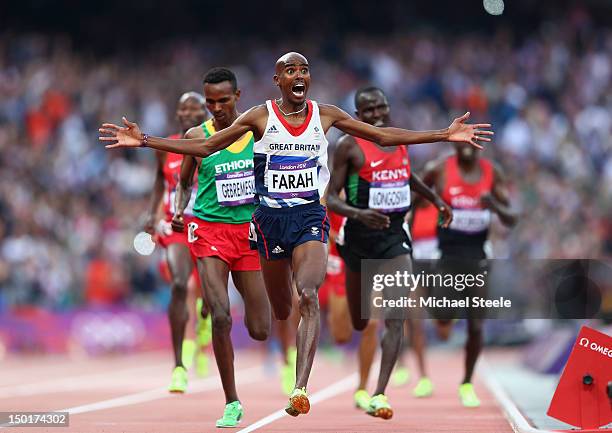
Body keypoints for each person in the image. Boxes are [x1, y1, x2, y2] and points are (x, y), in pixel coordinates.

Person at [99, 51, 493, 417]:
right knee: (280, 310)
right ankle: (279, 335)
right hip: (270, 221)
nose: (299, 75)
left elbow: (382, 137)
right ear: (277, 80)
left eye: (304, 70)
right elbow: (206, 147)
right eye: (290, 71)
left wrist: (443, 135)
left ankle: (300, 388)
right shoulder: (258, 116)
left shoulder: (326, 114)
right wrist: (146, 140)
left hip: (309, 216)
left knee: (308, 296)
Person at [326, 86, 453, 418]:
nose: (377, 115)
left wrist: (437, 199)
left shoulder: (397, 139)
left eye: (381, 108)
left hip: (394, 238)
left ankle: (379, 394)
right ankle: (373, 382)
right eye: (369, 111)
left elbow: (405, 176)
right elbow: (332, 198)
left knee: (395, 319)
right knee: (360, 321)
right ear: (358, 116)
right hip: (357, 241)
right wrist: (358, 214)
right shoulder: (348, 146)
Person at [172, 68, 271, 427]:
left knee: (260, 328)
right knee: (221, 315)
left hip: (248, 234)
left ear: (238, 96)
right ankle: (232, 401)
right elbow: (183, 183)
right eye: (210, 101)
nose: (216, 107)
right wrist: (179, 210)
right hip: (208, 231)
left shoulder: (257, 131)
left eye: (223, 100)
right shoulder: (197, 136)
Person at [422, 140, 517, 407]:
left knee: (476, 325)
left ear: (479, 148)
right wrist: (428, 206)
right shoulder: (439, 169)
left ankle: (466, 382)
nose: (467, 150)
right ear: (454, 147)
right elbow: (415, 189)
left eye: (472, 145)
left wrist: (494, 206)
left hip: (477, 258)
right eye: (461, 144)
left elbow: (512, 218)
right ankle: (438, 302)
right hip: (447, 257)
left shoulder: (491, 172)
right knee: (442, 316)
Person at [142, 92, 212, 393]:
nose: (186, 112)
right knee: (180, 284)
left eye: (193, 107)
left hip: (211, 225)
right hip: (177, 226)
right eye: (182, 108)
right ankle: (179, 366)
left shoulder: (217, 142)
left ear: (205, 112)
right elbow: (161, 180)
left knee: (210, 296)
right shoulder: (166, 148)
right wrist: (151, 212)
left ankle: (205, 320)